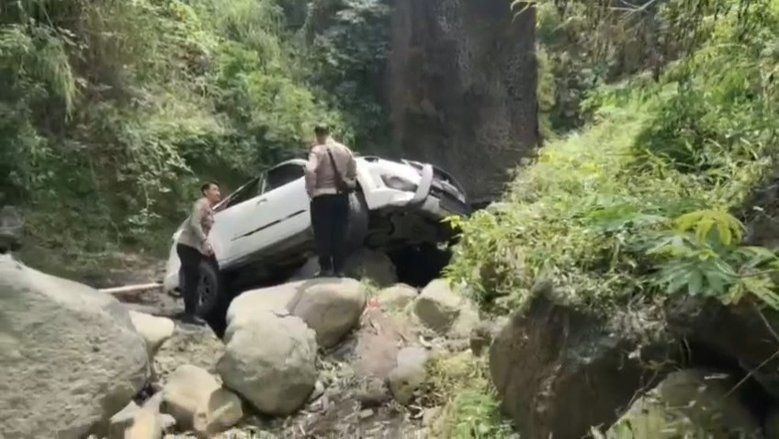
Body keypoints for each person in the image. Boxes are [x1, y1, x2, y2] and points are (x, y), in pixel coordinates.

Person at [304, 124, 357, 278]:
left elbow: (309, 169)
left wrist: (311, 191)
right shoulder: (344, 150)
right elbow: (353, 171)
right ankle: (339, 269)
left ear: (317, 134)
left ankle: (326, 268)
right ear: (329, 133)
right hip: (341, 197)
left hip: (322, 198)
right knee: (339, 233)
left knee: (323, 234)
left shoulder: (317, 150)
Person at [176, 181, 221, 325]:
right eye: (214, 189)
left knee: (194, 280)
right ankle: (189, 315)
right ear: (205, 192)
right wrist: (204, 242)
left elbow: (203, 228)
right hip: (187, 246)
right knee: (192, 280)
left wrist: (205, 247)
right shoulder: (201, 204)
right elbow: (194, 223)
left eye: (218, 190)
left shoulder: (209, 208)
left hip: (194, 248)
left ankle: (190, 313)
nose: (218, 192)